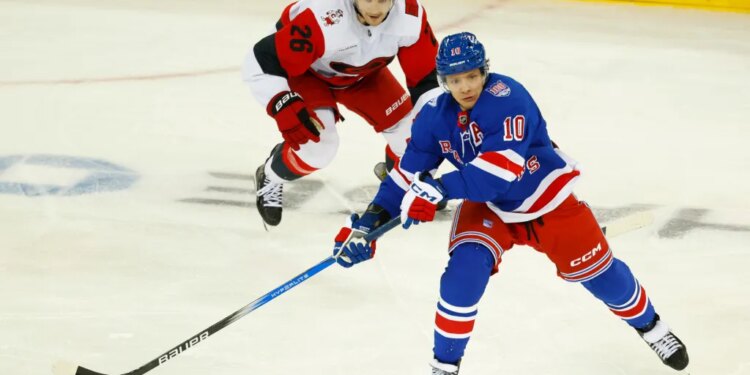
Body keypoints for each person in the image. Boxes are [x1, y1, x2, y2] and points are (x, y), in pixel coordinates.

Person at [331, 32, 689, 374]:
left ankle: (652, 328)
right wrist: (367, 226)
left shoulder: (508, 97)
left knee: (602, 276)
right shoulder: (434, 118)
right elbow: (403, 179)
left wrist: (438, 188)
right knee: (462, 276)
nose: (465, 86)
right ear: (443, 81)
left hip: (544, 198)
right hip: (490, 210)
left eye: (472, 76)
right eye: (455, 80)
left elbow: (495, 174)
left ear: (484, 71)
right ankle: (444, 366)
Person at [243, 0, 442, 226]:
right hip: (306, 73)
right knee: (318, 148)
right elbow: (261, 60)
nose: (376, 9)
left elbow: (426, 82)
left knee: (417, 139)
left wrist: (431, 133)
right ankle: (270, 174)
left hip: (363, 75)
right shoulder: (322, 15)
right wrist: (281, 102)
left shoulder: (410, 16)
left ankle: (399, 177)